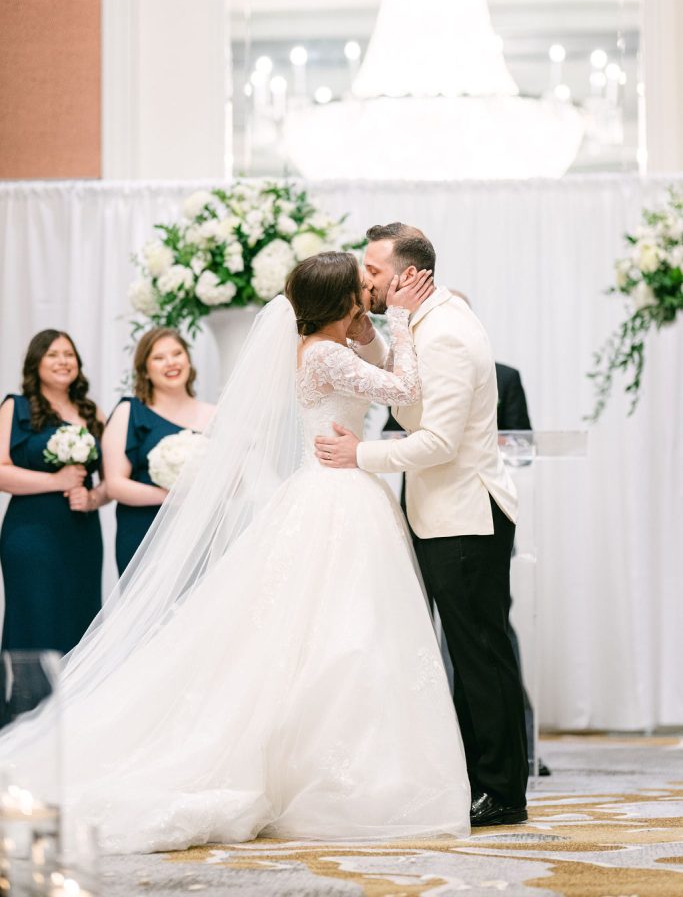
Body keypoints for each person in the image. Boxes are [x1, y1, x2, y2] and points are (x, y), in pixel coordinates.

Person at [0, 252, 470, 854]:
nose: (369, 296)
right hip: (336, 495)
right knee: (344, 628)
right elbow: (405, 387)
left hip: (336, 489)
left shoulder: (328, 349)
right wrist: (405, 321)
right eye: (361, 290)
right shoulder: (325, 354)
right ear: (341, 302)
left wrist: (379, 330)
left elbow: (380, 375)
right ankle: (334, 772)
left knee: (343, 629)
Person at [316, 225, 529, 827]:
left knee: (480, 656)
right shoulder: (424, 326)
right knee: (467, 652)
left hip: (465, 515)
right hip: (443, 513)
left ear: (408, 275)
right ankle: (480, 780)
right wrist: (379, 337)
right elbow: (410, 398)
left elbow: (435, 441)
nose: (367, 282)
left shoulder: (450, 335)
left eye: (375, 273)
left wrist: (360, 456)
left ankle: (502, 791)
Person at [0, 330, 108, 654]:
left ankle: (78, 703)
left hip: (82, 534)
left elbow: (110, 482)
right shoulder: (14, 407)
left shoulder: (93, 413)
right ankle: (29, 702)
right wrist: (56, 482)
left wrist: (92, 499)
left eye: (69, 354)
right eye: (53, 354)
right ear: (36, 363)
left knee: (80, 613)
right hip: (31, 533)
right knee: (36, 617)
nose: (63, 361)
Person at [103, 328, 215, 575]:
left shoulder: (214, 415)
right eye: (159, 357)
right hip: (143, 534)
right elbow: (115, 485)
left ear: (188, 360)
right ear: (144, 369)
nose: (171, 362)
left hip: (198, 533)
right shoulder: (128, 413)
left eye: (177, 353)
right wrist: (173, 497)